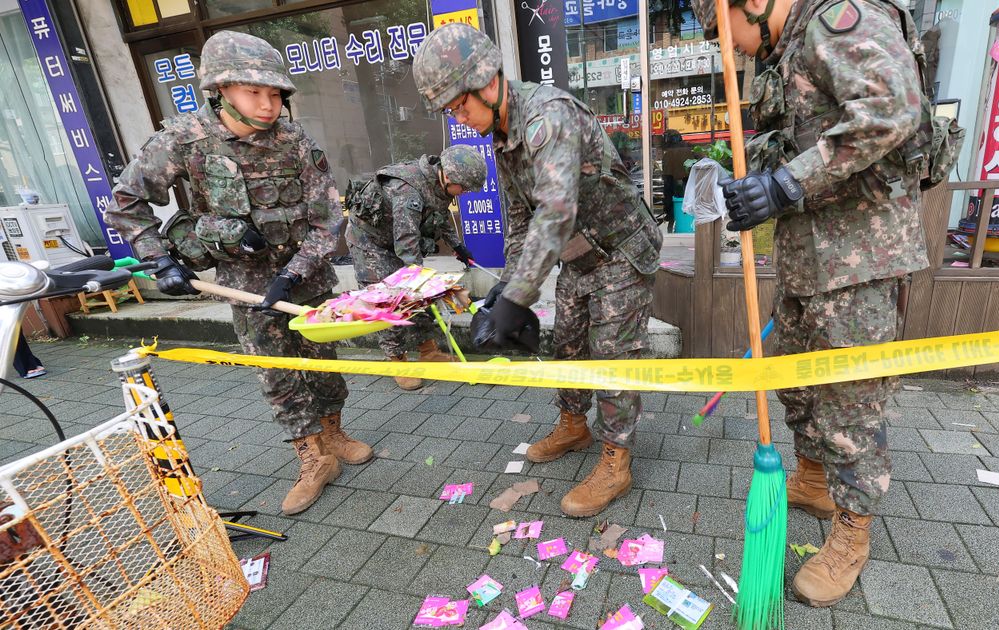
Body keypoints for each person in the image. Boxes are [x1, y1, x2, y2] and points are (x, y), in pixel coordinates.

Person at [690, 0, 929, 607]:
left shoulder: (835, 20)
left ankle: (852, 532)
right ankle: (814, 480)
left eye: (726, 34)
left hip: (860, 258)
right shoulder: (787, 46)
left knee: (852, 405)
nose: (734, 50)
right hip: (806, 258)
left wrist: (783, 184)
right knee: (797, 383)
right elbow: (803, 134)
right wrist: (752, 181)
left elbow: (891, 110)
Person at [106, 31, 373, 516]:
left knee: (323, 362)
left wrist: (293, 274)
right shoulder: (185, 140)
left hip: (305, 280)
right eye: (255, 92)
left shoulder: (296, 142)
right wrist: (159, 260)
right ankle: (312, 459)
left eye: (275, 94)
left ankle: (334, 436)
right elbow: (127, 202)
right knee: (277, 373)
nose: (268, 104)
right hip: (243, 284)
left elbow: (327, 219)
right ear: (221, 89)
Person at [413, 24, 663, 518]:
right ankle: (573, 425)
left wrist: (517, 299)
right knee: (568, 342)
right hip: (577, 255)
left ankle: (616, 459)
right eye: (450, 112)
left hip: (620, 249)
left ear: (486, 81)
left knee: (610, 357)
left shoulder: (547, 118)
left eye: (460, 106)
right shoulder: (502, 136)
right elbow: (522, 221)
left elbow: (555, 212)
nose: (460, 119)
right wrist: (507, 285)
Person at [346, 145, 487, 390]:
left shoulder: (437, 182)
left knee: (418, 293)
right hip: (370, 242)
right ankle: (397, 360)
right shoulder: (407, 190)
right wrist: (427, 283)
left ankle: (428, 351)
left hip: (397, 237)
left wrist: (457, 246)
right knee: (388, 300)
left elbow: (439, 217)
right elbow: (407, 248)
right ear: (449, 177)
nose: (464, 193)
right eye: (463, 188)